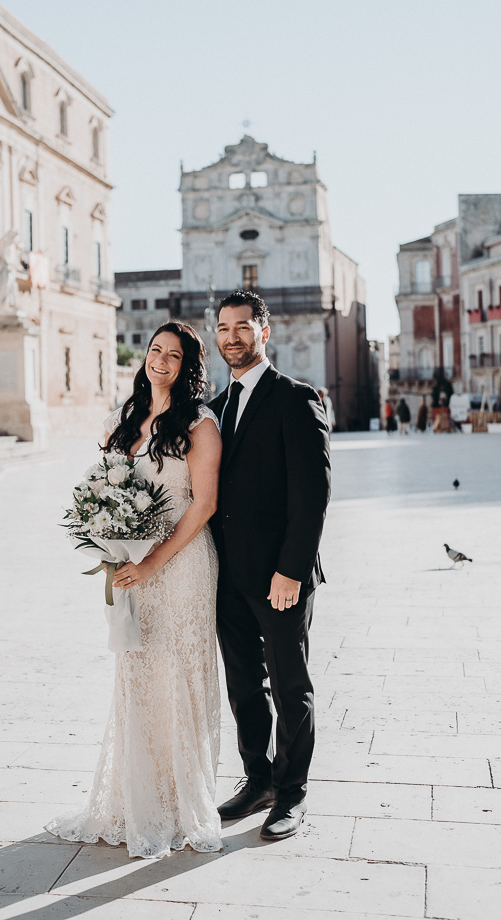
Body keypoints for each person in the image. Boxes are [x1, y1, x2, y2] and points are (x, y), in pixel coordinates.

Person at [45, 322, 222, 858]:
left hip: (183, 565)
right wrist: (113, 546)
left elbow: (204, 503)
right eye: (154, 351)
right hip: (131, 568)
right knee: (139, 676)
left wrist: (153, 562)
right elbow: (107, 490)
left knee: (179, 677)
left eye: (174, 355)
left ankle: (177, 802)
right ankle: (133, 798)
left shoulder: (199, 424)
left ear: (189, 365)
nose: (161, 361)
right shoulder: (120, 422)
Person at [209, 291, 331, 841]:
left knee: (289, 684)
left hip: (280, 575)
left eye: (242, 326)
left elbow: (313, 495)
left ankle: (291, 793)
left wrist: (292, 570)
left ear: (265, 331)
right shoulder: (215, 405)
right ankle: (256, 780)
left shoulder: (295, 398)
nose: (232, 336)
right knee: (242, 684)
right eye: (223, 327)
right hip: (227, 576)